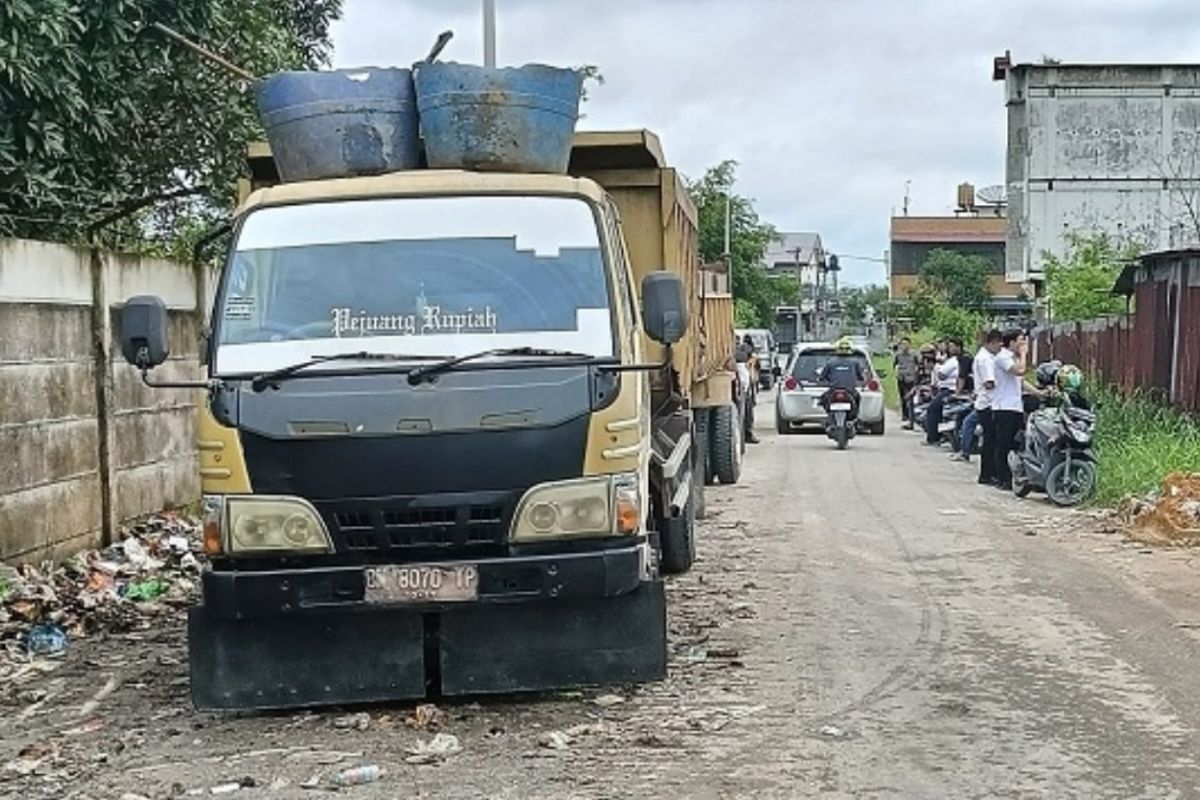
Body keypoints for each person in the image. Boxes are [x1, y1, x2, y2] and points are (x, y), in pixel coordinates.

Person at [991, 329, 1029, 490]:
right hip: (1004, 407)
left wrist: (1039, 393)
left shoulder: (1012, 358)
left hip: (1014, 407)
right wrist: (1024, 354)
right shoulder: (1003, 357)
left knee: (1015, 443)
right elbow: (1020, 371)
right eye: (1021, 340)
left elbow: (1020, 381)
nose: (1024, 343)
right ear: (1012, 342)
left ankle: (1012, 476)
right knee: (1003, 444)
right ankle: (1002, 479)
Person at [969, 329, 1003, 481]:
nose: (1000, 348)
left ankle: (988, 473)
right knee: (991, 440)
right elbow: (989, 383)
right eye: (998, 344)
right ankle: (988, 474)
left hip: (985, 402)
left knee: (990, 439)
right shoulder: (986, 359)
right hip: (987, 403)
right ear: (992, 342)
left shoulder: (984, 357)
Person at [923, 339, 961, 445]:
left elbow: (941, 374)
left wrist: (942, 373)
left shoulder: (954, 361)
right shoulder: (947, 360)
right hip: (943, 388)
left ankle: (933, 437)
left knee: (932, 409)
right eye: (949, 346)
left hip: (949, 389)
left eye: (952, 346)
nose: (950, 348)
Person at [949, 337, 979, 462]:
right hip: (973, 393)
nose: (950, 349)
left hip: (974, 394)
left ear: (958, 347)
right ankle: (960, 448)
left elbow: (962, 377)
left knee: (967, 421)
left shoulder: (965, 358)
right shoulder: (960, 358)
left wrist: (957, 393)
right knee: (962, 418)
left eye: (952, 346)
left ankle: (964, 451)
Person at [818, 338, 866, 416]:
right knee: (858, 398)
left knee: (822, 399)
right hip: (850, 391)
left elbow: (822, 377)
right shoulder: (855, 363)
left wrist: (828, 381)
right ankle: (855, 417)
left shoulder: (830, 363)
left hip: (834, 390)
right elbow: (860, 377)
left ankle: (829, 416)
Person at [734, 335, 760, 444]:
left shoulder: (739, 356)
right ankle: (748, 433)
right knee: (747, 410)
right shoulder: (744, 360)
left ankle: (747, 433)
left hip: (743, 386)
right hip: (744, 386)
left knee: (746, 410)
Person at [894, 338, 919, 429]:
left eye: (906, 344)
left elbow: (918, 365)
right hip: (901, 378)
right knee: (903, 397)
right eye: (902, 344)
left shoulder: (914, 354)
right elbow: (895, 365)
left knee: (910, 397)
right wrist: (898, 373)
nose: (904, 346)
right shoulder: (898, 355)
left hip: (911, 378)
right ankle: (905, 415)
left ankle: (911, 416)